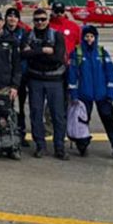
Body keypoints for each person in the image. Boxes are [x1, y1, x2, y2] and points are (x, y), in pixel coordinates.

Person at [66, 25, 113, 158]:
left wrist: (112, 96)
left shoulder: (102, 53)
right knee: (82, 121)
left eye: (92, 36)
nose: (89, 39)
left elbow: (111, 75)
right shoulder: (77, 53)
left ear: (96, 37)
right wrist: (74, 95)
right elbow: (72, 76)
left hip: (102, 94)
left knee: (108, 119)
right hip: (83, 95)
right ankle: (82, 145)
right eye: (86, 36)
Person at [21, 8, 69, 160]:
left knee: (58, 115)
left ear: (48, 20)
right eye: (37, 20)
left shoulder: (57, 35)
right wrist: (43, 50)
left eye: (43, 19)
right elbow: (23, 53)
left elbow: (58, 57)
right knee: (36, 113)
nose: (40, 22)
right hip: (35, 79)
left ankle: (59, 147)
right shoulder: (28, 35)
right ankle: (40, 146)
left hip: (55, 80)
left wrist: (34, 52)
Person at [3, 7, 31, 147]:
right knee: (7, 106)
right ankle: (8, 132)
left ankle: (21, 133)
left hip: (22, 74)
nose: (12, 19)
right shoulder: (2, 32)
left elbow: (28, 51)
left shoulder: (24, 32)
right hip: (6, 75)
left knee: (20, 107)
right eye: (9, 16)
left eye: (14, 16)